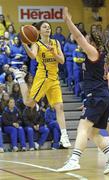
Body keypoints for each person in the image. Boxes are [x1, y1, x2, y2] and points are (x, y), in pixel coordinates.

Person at [57, 7, 109, 174]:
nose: (82, 40)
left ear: (92, 42)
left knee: (83, 129)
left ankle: (74, 160)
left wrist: (68, 21)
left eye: (86, 39)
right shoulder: (94, 56)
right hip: (100, 98)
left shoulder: (94, 53)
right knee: (93, 133)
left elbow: (78, 36)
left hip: (98, 98)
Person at [9, 20, 71, 148]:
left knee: (59, 107)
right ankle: (20, 78)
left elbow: (62, 60)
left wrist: (53, 52)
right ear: (39, 31)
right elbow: (32, 56)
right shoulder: (37, 44)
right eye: (45, 27)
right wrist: (25, 44)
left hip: (54, 79)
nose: (48, 29)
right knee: (29, 103)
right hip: (42, 78)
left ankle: (64, 136)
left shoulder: (55, 42)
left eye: (49, 27)